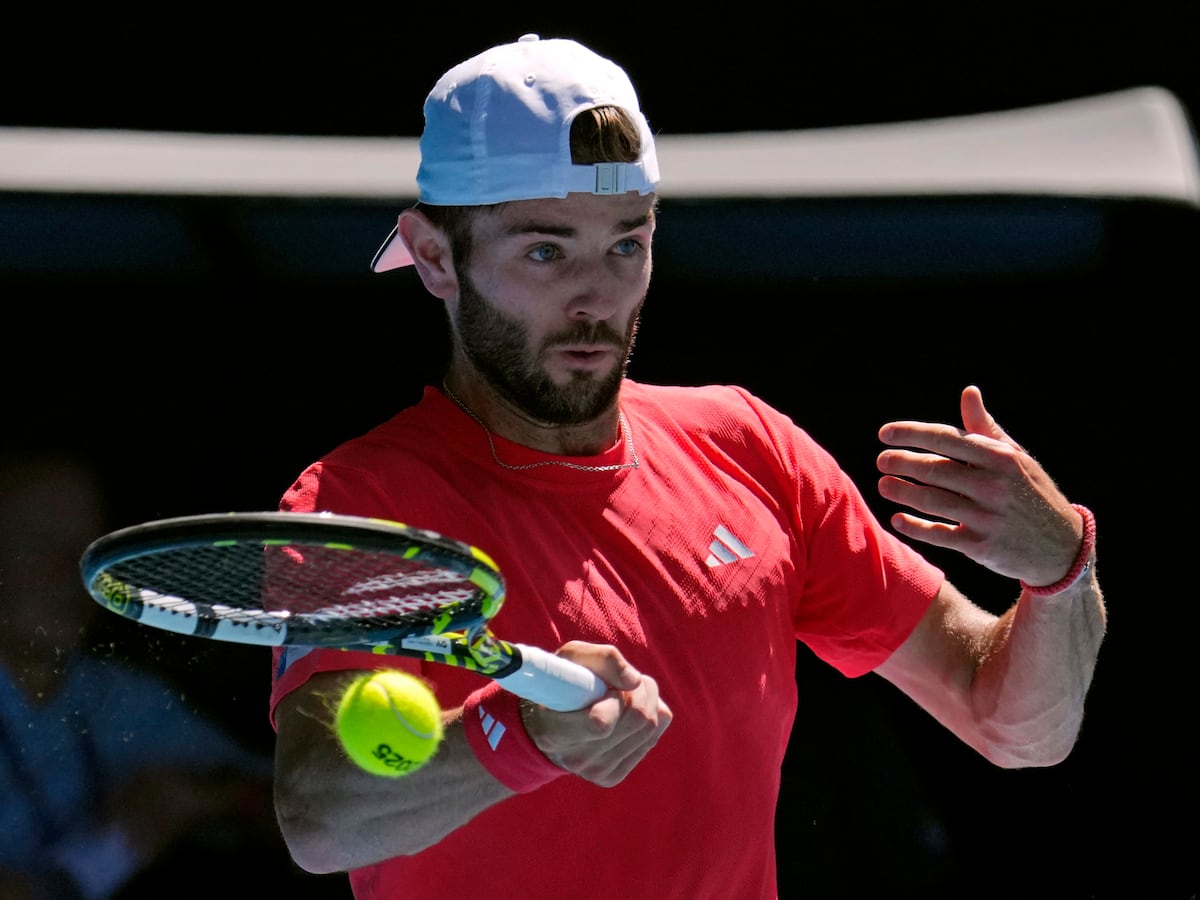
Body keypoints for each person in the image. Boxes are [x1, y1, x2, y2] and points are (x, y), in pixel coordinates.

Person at [269, 34, 1106, 900]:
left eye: (625, 246)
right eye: (546, 253)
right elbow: (319, 818)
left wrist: (1061, 572)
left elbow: (1016, 729)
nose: (596, 296)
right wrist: (519, 738)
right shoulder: (357, 503)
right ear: (436, 256)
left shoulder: (751, 448)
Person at [0, 451, 288, 900]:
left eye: (85, 551)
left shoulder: (118, 697)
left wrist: (203, 798)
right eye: (41, 544)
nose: (69, 574)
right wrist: (97, 862)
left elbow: (285, 799)